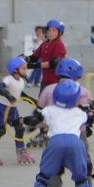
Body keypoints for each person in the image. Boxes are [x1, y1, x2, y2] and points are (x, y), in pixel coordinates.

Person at [21, 79, 94, 187]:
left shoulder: (50, 110)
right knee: (82, 182)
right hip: (75, 145)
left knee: (43, 179)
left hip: (55, 143)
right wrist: (92, 110)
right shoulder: (79, 112)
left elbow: (34, 120)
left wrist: (21, 121)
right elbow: (91, 118)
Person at [35, 58, 94, 187]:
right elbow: (89, 114)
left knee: (53, 168)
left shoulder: (48, 90)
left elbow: (40, 111)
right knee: (84, 168)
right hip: (77, 136)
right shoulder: (83, 91)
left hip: (54, 136)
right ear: (76, 76)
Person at [0, 56, 36, 166]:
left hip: (13, 109)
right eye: (23, 68)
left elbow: (19, 93)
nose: (25, 70)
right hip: (3, 109)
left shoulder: (21, 81)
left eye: (25, 68)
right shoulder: (8, 79)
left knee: (19, 128)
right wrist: (9, 96)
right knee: (1, 130)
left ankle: (20, 150)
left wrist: (32, 100)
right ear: (15, 69)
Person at [24, 19, 67, 148]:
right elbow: (34, 56)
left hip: (56, 82)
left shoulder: (59, 45)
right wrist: (24, 59)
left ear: (59, 33)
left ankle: (48, 132)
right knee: (41, 107)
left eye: (54, 30)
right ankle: (43, 131)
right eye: (49, 30)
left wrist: (35, 65)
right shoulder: (45, 44)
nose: (51, 33)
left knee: (50, 109)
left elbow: (54, 63)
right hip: (45, 81)